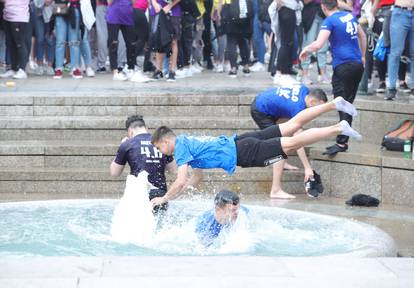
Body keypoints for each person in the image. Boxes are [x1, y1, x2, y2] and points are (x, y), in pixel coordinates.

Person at [150, 96, 362, 206]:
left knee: (292, 143)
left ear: (166, 140)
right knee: (291, 125)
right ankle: (333, 105)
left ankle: (338, 127)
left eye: (160, 147)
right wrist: (184, 191)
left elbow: (179, 180)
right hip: (241, 140)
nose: (163, 153)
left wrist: (164, 199)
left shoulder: (179, 149)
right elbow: (196, 176)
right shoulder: (187, 140)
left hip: (243, 153)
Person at [299, 0, 366, 156]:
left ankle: (342, 142)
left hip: (343, 67)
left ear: (323, 7)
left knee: (341, 103)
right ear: (337, 4)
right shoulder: (349, 17)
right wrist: (362, 56)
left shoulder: (329, 21)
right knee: (347, 102)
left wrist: (305, 50)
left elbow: (318, 44)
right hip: (357, 65)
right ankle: (342, 139)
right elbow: (362, 36)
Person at [251, 84, 328, 198]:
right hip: (261, 110)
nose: (319, 112)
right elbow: (298, 141)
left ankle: (283, 164)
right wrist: (307, 167)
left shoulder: (304, 89)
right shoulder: (297, 108)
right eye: (319, 108)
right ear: (312, 103)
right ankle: (275, 190)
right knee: (280, 147)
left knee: (287, 132)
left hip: (266, 101)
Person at [110, 115, 176, 214]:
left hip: (139, 193)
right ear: (146, 128)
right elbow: (173, 170)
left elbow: (114, 172)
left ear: (130, 131)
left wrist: (121, 148)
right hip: (160, 193)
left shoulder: (127, 144)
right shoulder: (160, 143)